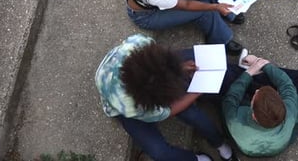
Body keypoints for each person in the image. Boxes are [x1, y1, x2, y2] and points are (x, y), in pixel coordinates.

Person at [95, 34, 239, 161]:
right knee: (160, 152)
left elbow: (160, 60)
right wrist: (197, 91)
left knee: (203, 63)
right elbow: (168, 111)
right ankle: (196, 159)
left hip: (146, 84)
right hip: (125, 108)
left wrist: (179, 67)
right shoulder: (131, 106)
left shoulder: (139, 43)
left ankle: (219, 143)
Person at [221, 50, 298, 157]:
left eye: (255, 97)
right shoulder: (289, 111)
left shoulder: (236, 121)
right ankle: (255, 74)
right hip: (280, 143)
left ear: (253, 115)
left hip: (248, 148)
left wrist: (250, 71)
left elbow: (231, 98)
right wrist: (261, 63)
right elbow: (286, 85)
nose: (257, 91)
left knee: (228, 82)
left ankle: (250, 73)